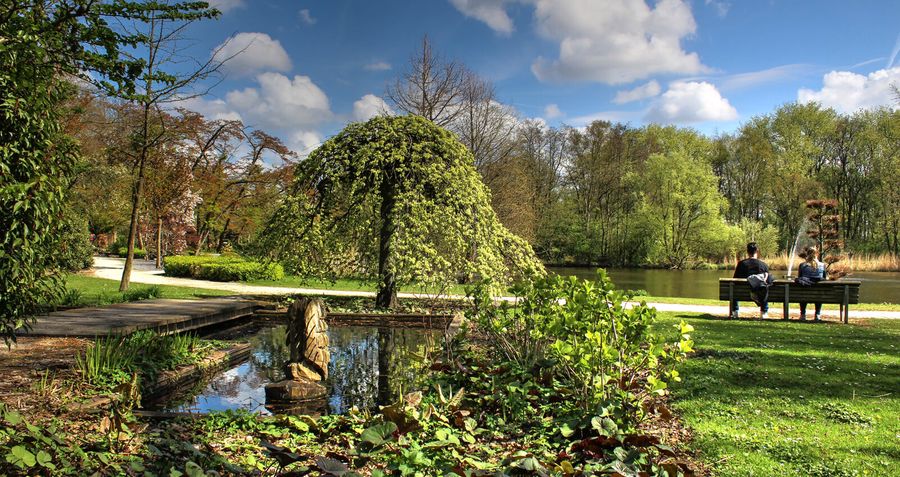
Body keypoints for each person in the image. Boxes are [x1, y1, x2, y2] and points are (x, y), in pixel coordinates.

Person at [732, 242, 772, 319]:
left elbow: (735, 280)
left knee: (734, 289)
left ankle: (735, 311)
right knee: (765, 288)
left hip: (742, 293)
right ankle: (764, 312)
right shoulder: (763, 265)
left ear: (747, 251)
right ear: (757, 251)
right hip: (760, 293)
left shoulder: (741, 264)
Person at [796, 245, 826, 321]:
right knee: (819, 293)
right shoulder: (822, 265)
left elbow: (799, 276)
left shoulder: (802, 265)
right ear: (817, 254)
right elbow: (824, 278)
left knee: (803, 292)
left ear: (807, 254)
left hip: (804, 292)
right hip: (818, 294)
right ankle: (817, 314)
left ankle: (803, 314)